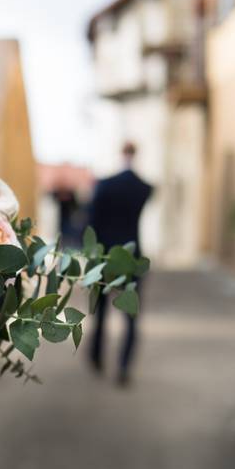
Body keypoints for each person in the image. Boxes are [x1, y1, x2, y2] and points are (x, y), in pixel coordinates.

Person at [87, 142, 153, 387]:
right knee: (131, 317)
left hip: (104, 257)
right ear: (135, 154)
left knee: (101, 312)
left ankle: (96, 356)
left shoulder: (105, 185)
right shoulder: (144, 188)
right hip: (132, 256)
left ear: (120, 154)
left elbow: (91, 221)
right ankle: (124, 367)